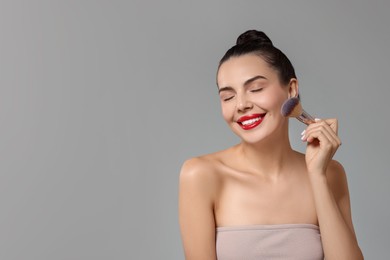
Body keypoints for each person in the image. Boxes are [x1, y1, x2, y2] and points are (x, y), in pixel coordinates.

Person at [178, 30, 363, 260]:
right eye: (227, 97)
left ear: (291, 90)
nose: (241, 104)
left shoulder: (331, 173)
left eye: (255, 89)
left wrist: (317, 176)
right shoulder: (201, 175)